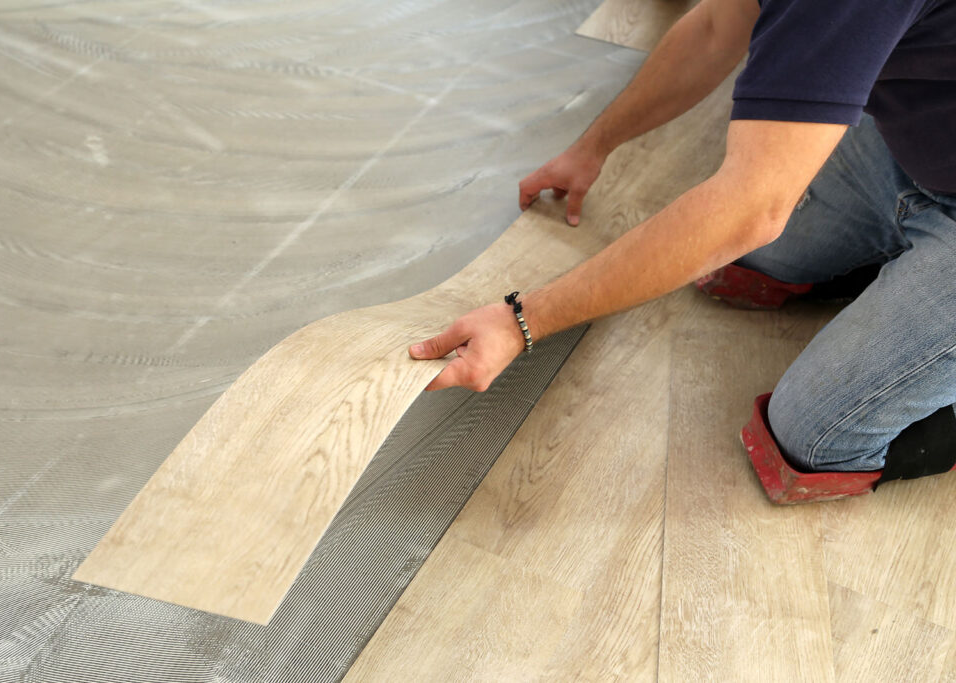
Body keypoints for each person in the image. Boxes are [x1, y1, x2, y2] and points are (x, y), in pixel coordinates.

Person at [407, 0, 956, 479]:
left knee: (813, 435)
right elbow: (717, 27)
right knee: (752, 261)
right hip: (908, 148)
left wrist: (521, 321)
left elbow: (749, 210)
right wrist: (593, 147)